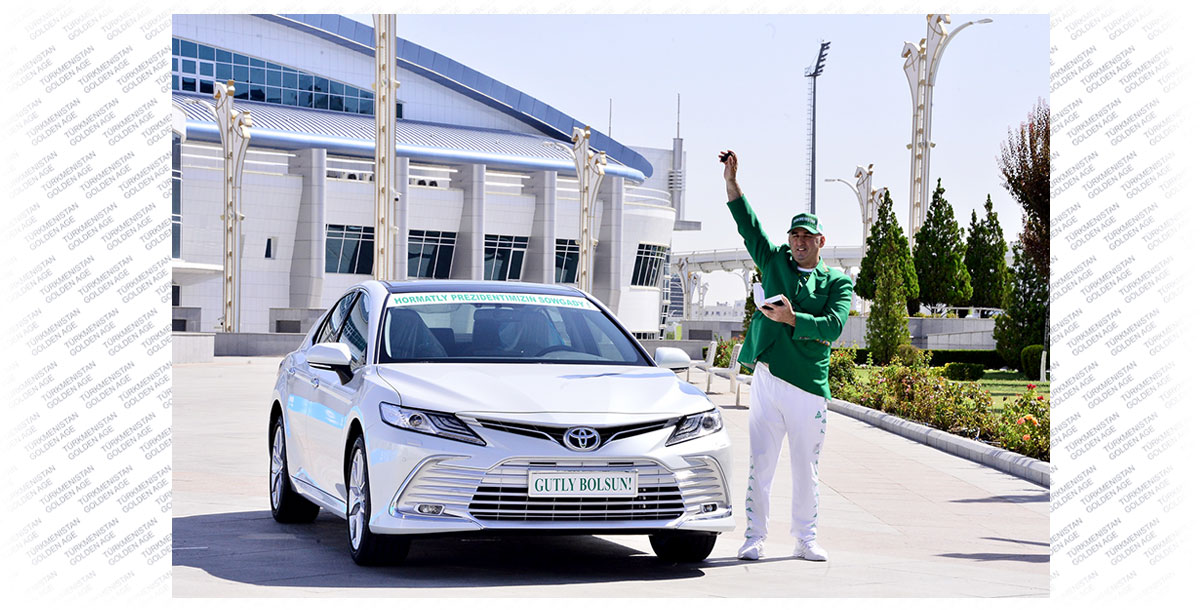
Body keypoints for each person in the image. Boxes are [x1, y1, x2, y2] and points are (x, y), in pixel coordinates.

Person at [719, 150, 853, 561]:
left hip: (808, 385)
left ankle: (805, 538)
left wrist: (795, 318)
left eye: (806, 237)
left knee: (804, 468)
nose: (797, 242)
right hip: (767, 377)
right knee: (761, 464)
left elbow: (833, 326)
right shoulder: (774, 259)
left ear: (820, 242)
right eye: (794, 236)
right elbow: (749, 227)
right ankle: (754, 536)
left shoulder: (838, 281)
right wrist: (732, 182)